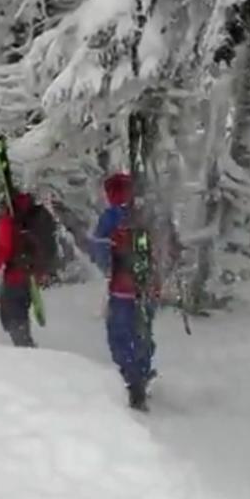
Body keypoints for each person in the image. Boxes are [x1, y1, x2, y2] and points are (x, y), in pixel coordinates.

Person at [91, 172, 158, 411]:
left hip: (122, 288)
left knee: (120, 335)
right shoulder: (149, 213)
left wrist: (108, 271)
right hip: (148, 288)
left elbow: (100, 252)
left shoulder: (110, 218)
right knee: (143, 331)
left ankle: (131, 381)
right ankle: (143, 371)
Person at [0, 192, 41, 348]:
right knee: (20, 311)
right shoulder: (25, 221)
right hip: (29, 275)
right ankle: (26, 344)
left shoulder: (7, 222)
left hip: (14, 276)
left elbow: (4, 250)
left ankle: (24, 349)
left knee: (12, 314)